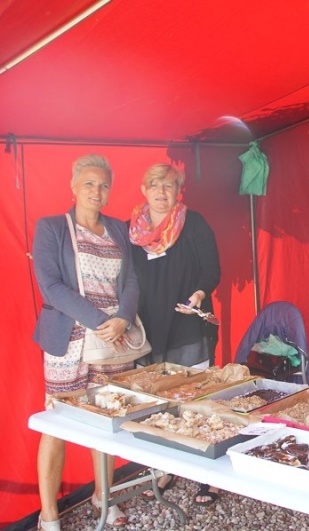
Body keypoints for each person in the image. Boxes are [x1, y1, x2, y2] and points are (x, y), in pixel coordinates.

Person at [32, 154, 138, 530]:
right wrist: (101, 321)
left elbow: (132, 279)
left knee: (107, 420)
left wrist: (123, 317)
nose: (97, 191)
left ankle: (102, 498)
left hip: (113, 342)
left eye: (104, 185)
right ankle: (48, 515)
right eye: (89, 183)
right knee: (56, 425)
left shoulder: (119, 229)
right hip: (70, 343)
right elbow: (50, 285)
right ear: (74, 186)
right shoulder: (51, 228)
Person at [128, 163, 221, 506]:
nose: (161, 192)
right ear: (144, 189)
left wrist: (199, 293)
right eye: (154, 185)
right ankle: (165, 467)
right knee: (159, 402)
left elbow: (212, 269)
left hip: (186, 324)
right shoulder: (131, 231)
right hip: (149, 329)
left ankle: (207, 475)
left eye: (168, 186)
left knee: (198, 398)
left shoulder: (193, 223)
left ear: (178, 191)